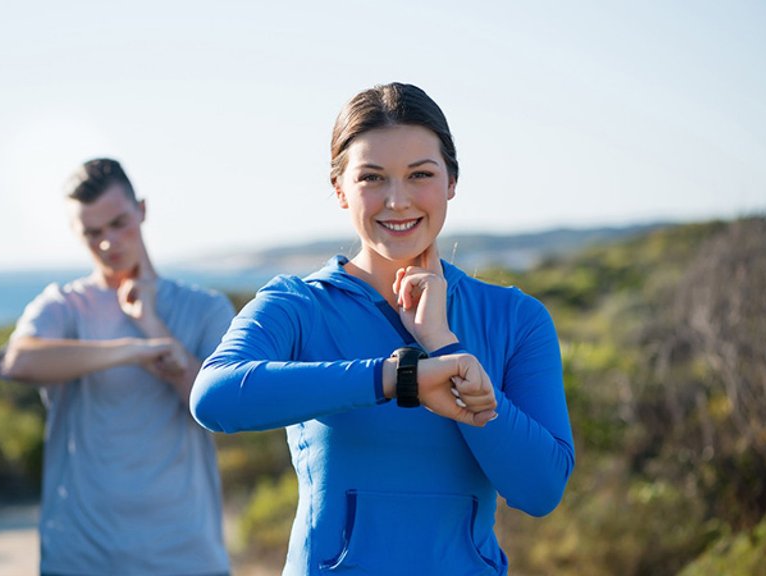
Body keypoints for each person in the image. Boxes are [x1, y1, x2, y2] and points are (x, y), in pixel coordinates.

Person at [190, 83, 575, 575]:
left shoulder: (515, 318)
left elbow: (540, 490)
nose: (397, 201)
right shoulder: (298, 305)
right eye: (372, 177)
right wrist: (397, 377)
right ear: (339, 190)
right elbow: (214, 397)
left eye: (420, 175)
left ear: (451, 181)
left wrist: (442, 342)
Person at [0, 158, 234, 576]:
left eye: (119, 223)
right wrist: (129, 349)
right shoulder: (63, 305)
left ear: (142, 210)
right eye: (92, 233)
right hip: (80, 560)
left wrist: (153, 328)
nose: (108, 243)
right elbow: (17, 361)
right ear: (76, 233)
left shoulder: (205, 307)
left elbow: (225, 411)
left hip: (185, 559)